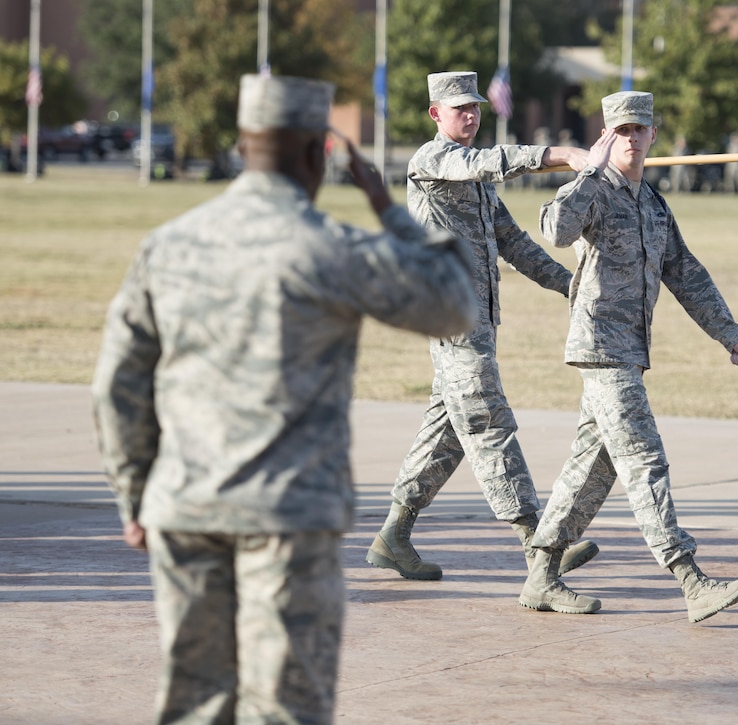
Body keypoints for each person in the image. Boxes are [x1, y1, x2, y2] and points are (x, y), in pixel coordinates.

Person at [91, 73, 478, 723]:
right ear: (317, 153)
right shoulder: (331, 246)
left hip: (184, 507)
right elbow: (455, 303)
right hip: (289, 518)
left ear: (244, 145)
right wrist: (388, 207)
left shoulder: (169, 244)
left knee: (193, 701)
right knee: (285, 707)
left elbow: (117, 384)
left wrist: (134, 495)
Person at [522, 91, 738, 623]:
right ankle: (690, 579)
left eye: (638, 130)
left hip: (631, 351)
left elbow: (686, 273)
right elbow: (554, 230)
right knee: (645, 459)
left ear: (653, 136)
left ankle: (541, 573)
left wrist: (729, 333)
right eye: (620, 131)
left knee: (594, 467)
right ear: (606, 136)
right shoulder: (592, 192)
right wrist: (587, 171)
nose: (630, 139)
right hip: (600, 348)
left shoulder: (652, 203)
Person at [366, 71, 599, 581]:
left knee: (448, 433)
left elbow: (511, 242)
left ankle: (393, 536)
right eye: (459, 109)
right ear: (436, 115)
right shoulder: (434, 161)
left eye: (475, 108)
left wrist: (568, 285)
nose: (470, 116)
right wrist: (562, 155)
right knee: (489, 424)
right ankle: (540, 542)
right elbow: (492, 163)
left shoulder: (473, 184)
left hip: (475, 323)